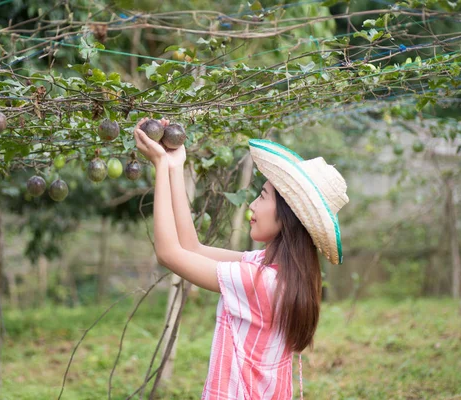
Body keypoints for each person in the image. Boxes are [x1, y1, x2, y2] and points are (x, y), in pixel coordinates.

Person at [134, 118, 349, 400]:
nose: (252, 205)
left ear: (287, 217)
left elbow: (169, 253)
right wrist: (175, 166)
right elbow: (192, 247)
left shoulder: (261, 282)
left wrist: (160, 167)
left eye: (262, 197)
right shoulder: (274, 271)